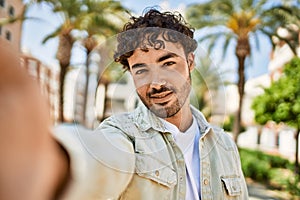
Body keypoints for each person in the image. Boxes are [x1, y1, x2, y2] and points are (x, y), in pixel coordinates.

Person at [0, 8, 248, 200]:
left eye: (168, 63)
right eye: (141, 71)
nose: (156, 83)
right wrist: (49, 164)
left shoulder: (225, 145)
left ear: (190, 62)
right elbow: (101, 158)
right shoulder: (123, 135)